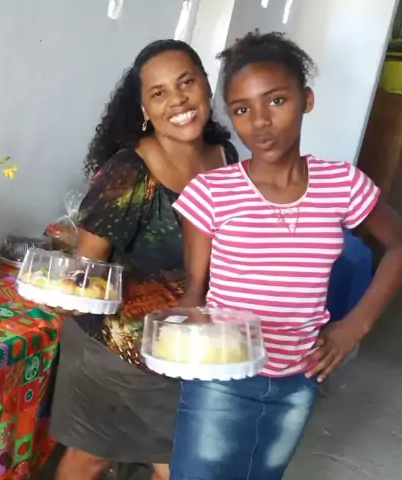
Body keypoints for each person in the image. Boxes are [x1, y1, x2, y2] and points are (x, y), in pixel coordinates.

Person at [171, 31, 402, 479]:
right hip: (221, 376)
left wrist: (356, 326)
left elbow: (398, 244)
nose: (260, 122)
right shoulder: (212, 192)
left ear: (306, 100)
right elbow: (196, 290)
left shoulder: (341, 184)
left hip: (300, 377)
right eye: (242, 110)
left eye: (276, 101)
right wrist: (177, 335)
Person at [49, 39, 238, 480]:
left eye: (186, 82)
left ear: (206, 85)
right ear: (145, 110)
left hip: (188, 346)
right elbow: (85, 273)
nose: (178, 100)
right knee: (94, 459)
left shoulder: (225, 159)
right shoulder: (130, 171)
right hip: (114, 350)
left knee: (181, 463)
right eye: (159, 93)